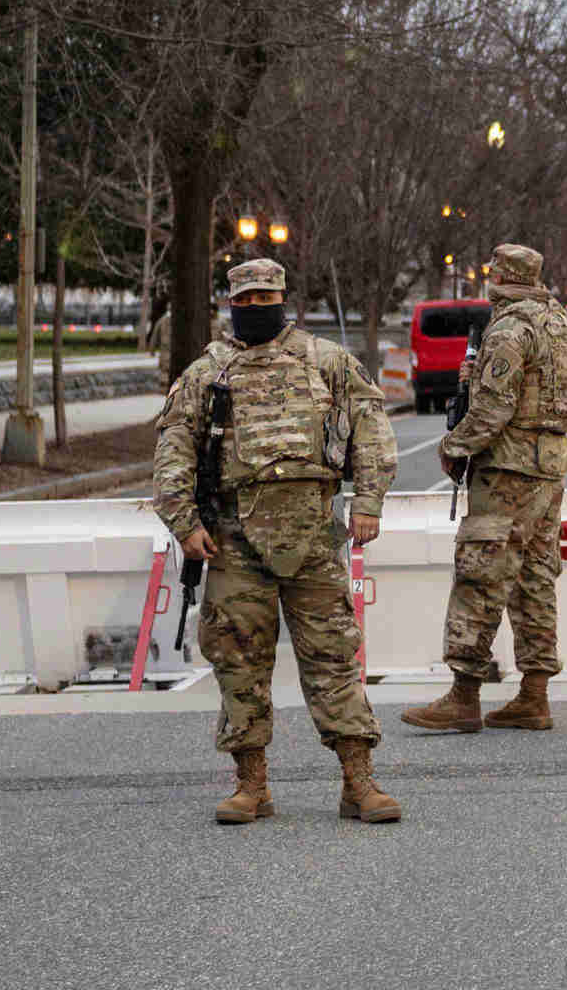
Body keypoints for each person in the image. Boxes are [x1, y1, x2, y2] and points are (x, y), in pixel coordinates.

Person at [153, 257, 399, 824]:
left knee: (334, 657)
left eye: (268, 300)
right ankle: (251, 785)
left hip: (313, 535)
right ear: (231, 303)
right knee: (238, 661)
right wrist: (185, 523)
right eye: (247, 302)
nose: (258, 309)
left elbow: (371, 427)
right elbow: (174, 447)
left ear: (284, 299)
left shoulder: (327, 361)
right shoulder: (208, 372)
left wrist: (367, 501)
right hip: (234, 539)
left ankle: (359, 782)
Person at [403, 244, 567, 735]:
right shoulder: (560, 324)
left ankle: (464, 695)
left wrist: (454, 446)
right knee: (535, 577)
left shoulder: (510, 328)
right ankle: (534, 695)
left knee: (480, 575)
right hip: (549, 469)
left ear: (499, 279)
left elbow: (492, 410)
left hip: (506, 470)